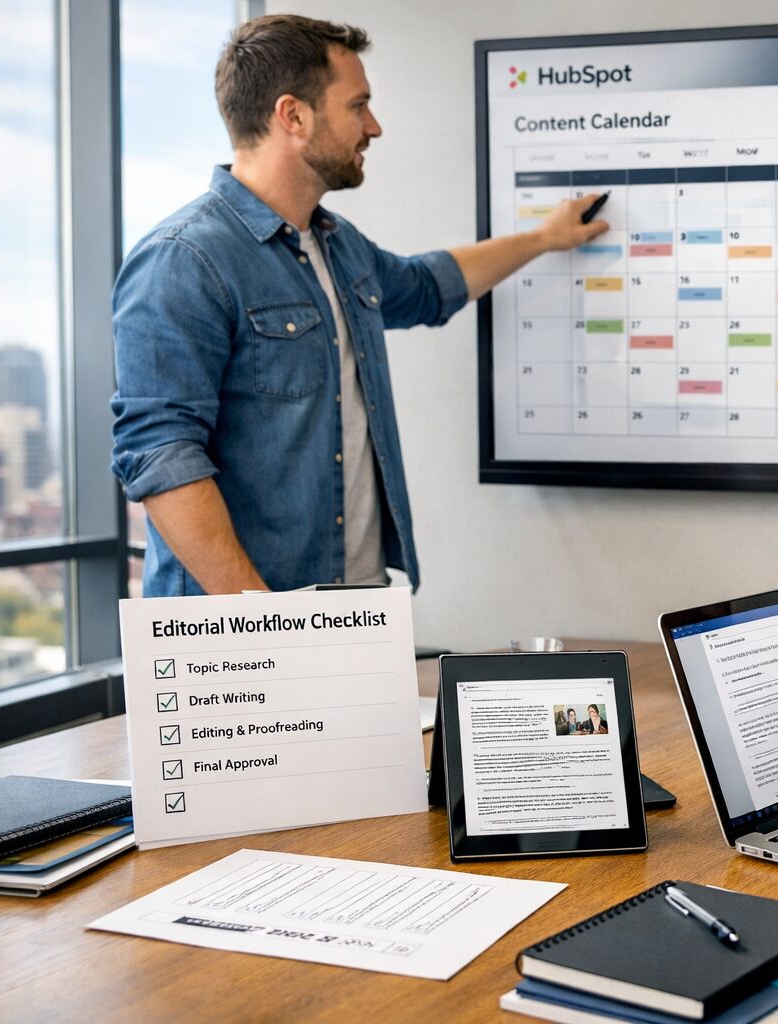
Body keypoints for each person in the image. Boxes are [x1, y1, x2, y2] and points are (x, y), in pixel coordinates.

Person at [110, 15, 606, 596]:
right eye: (358, 105)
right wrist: (262, 621)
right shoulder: (184, 260)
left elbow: (426, 286)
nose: (374, 126)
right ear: (292, 115)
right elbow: (161, 457)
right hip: (245, 635)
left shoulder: (336, 245)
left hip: (354, 605)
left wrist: (544, 239)